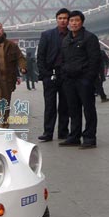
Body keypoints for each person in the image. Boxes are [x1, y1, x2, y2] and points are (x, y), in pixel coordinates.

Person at [60, 10, 100, 149]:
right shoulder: (66, 39)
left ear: (82, 22)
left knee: (88, 110)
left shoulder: (90, 38)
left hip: (84, 80)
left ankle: (89, 138)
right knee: (73, 110)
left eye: (77, 20)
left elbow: (95, 61)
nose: (74, 23)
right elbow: (63, 59)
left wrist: (89, 78)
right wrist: (64, 75)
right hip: (69, 81)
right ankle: (74, 136)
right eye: (71, 21)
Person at [36, 8, 71, 142]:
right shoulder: (47, 35)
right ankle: (48, 132)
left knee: (65, 105)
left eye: (65, 18)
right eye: (60, 18)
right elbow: (40, 56)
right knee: (50, 105)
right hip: (50, 74)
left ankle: (63, 132)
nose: (63, 20)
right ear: (56, 19)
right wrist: (44, 74)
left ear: (68, 20)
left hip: (66, 75)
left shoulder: (72, 35)